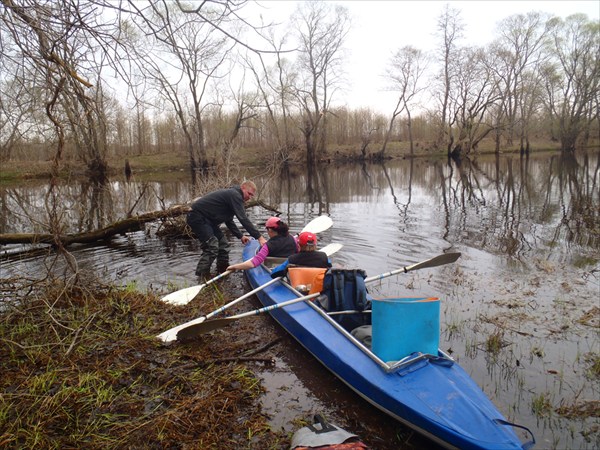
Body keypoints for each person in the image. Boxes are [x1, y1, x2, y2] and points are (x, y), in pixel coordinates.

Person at [186, 180, 267, 277]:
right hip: (197, 217)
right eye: (249, 194)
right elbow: (243, 218)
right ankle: (202, 277)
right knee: (212, 246)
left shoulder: (233, 197)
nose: (249, 197)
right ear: (243, 188)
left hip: (208, 221)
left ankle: (223, 271)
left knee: (223, 245)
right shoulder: (235, 195)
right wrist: (259, 237)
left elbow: (229, 220)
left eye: (252, 196)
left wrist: (240, 236)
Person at [226, 216, 299, 272]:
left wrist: (235, 266)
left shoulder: (268, 246)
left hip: (272, 270)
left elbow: (253, 263)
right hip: (289, 270)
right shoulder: (294, 240)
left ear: (270, 230)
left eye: (267, 229)